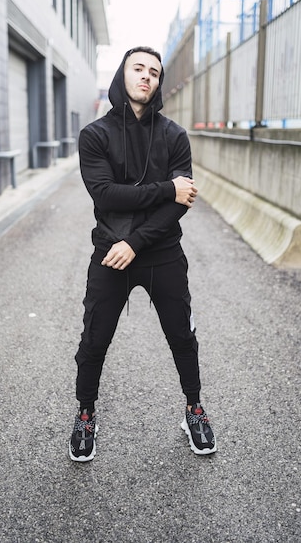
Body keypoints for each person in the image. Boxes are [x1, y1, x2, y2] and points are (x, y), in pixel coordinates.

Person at [68, 47, 216, 462]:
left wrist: (137, 240)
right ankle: (85, 414)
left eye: (154, 71)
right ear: (123, 74)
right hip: (109, 252)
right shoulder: (95, 135)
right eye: (139, 68)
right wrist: (167, 188)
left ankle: (194, 408)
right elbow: (106, 193)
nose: (147, 77)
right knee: (94, 339)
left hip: (160, 251)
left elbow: (178, 206)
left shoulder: (174, 136)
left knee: (182, 337)